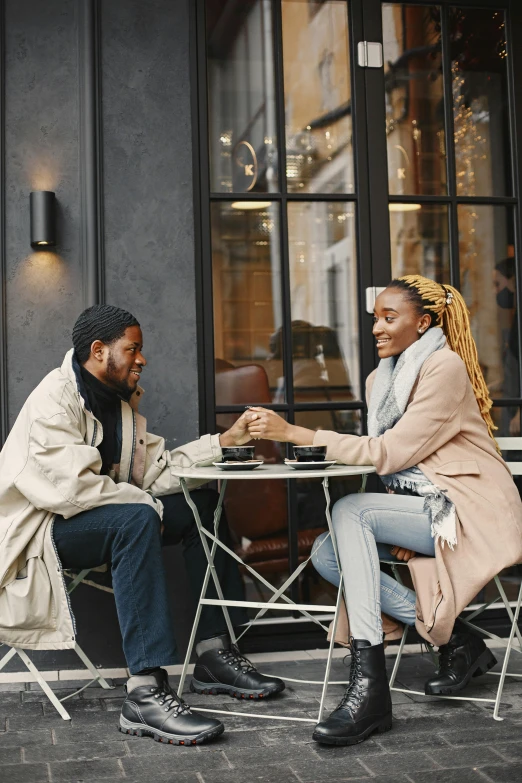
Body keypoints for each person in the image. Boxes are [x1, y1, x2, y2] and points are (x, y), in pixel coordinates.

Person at [246, 275, 522, 746]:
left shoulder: (444, 367)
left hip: (472, 508)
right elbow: (391, 458)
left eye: (389, 318)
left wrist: (296, 434)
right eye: (375, 317)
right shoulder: (381, 379)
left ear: (424, 323)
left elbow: (391, 452)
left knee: (352, 509)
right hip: (429, 508)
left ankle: (369, 687)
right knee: (327, 554)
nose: (377, 327)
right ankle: (456, 639)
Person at [0, 304, 284, 748]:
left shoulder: (121, 403)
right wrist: (146, 506)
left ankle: (213, 653)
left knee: (201, 505)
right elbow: (71, 491)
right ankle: (145, 691)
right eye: (133, 349)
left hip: (104, 519)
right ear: (98, 351)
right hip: (41, 533)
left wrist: (222, 443)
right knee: (136, 517)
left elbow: (156, 471)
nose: (142, 359)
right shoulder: (53, 401)